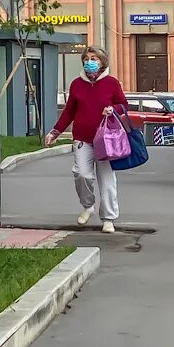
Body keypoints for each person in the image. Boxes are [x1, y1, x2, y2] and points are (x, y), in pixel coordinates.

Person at [44, 46, 127, 234]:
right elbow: (69, 112)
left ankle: (108, 218)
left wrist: (113, 109)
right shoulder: (76, 84)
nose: (90, 62)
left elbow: (123, 105)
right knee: (82, 174)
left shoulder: (112, 83)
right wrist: (55, 132)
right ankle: (88, 205)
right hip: (82, 138)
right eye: (87, 58)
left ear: (102, 62)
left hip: (106, 140)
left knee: (107, 181)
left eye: (94, 58)